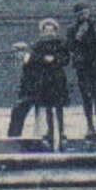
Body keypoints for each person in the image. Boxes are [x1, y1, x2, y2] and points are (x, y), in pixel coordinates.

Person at [67, 1, 96, 141]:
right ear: (76, 15)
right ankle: (89, 124)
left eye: (86, 12)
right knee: (87, 96)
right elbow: (70, 47)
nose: (84, 15)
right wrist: (79, 35)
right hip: (83, 68)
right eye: (81, 13)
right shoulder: (72, 29)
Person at [29, 18, 71, 149]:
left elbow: (66, 59)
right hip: (45, 79)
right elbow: (33, 59)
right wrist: (43, 59)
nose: (49, 33)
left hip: (58, 77)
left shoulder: (60, 44)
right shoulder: (38, 45)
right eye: (46, 30)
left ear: (56, 31)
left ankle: (61, 130)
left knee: (59, 106)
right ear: (42, 32)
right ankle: (50, 131)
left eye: (51, 30)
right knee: (48, 107)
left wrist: (55, 60)